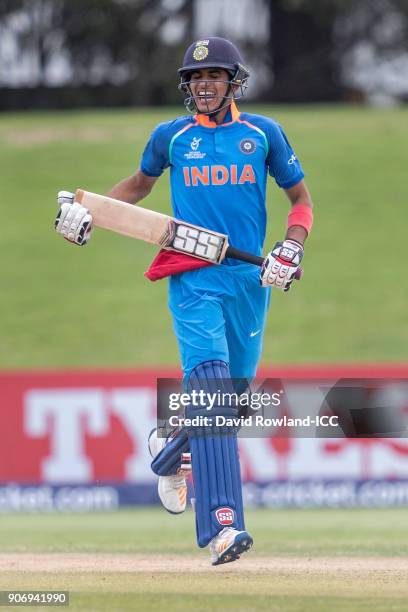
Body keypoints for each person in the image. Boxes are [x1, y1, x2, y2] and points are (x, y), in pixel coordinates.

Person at [55, 37, 313, 565]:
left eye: (214, 76)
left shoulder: (261, 134)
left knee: (229, 405)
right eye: (195, 78)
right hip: (191, 275)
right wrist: (89, 210)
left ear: (234, 82)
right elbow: (138, 186)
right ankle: (223, 526)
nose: (203, 85)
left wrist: (290, 246)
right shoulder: (171, 137)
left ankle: (169, 447)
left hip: (250, 279)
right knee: (214, 393)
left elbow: (301, 202)